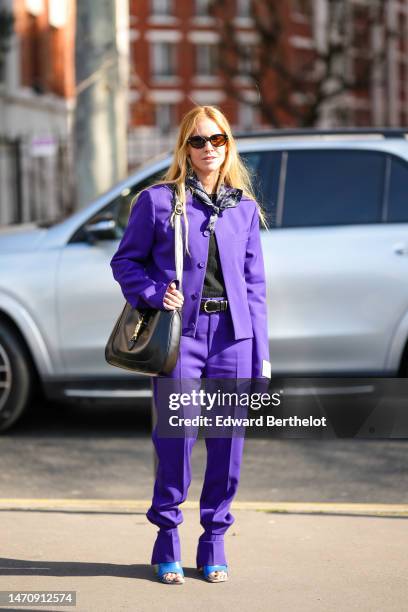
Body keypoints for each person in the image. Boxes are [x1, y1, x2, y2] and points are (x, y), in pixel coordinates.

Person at [110, 105, 271, 584]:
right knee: (175, 441)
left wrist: (260, 356)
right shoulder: (158, 202)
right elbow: (125, 263)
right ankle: (166, 539)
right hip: (182, 339)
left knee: (227, 447)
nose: (208, 149)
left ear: (228, 144)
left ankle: (215, 542)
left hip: (234, 341)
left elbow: (255, 285)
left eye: (217, 140)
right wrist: (154, 292)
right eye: (198, 141)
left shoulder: (243, 206)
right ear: (184, 147)